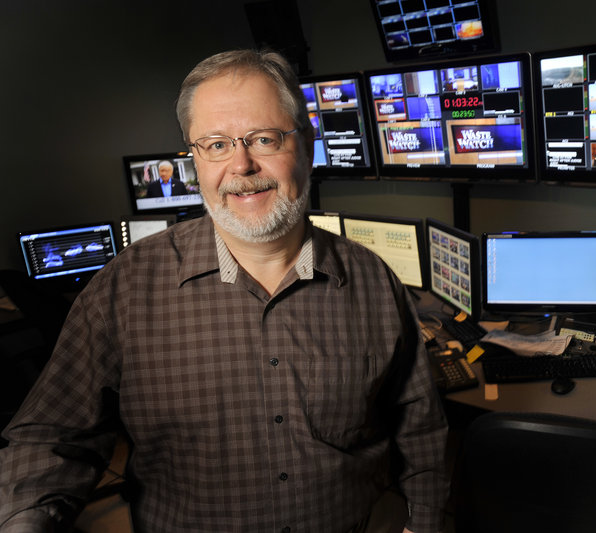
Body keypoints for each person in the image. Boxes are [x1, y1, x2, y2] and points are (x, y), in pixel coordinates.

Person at [0, 49, 449, 533]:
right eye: (215, 145)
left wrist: (423, 524)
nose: (241, 165)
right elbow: (50, 435)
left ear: (309, 145)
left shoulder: (374, 282)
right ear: (194, 159)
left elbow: (421, 431)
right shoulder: (125, 288)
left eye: (264, 138)